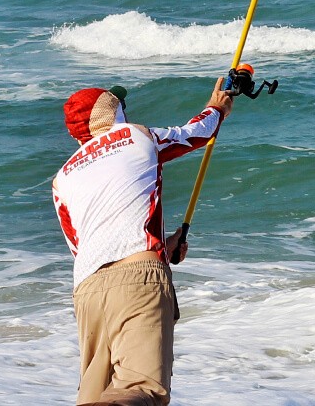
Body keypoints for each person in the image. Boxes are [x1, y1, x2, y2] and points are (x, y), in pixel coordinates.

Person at [52, 79, 234, 406]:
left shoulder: (63, 177)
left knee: (94, 395)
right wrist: (218, 107)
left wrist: (164, 244)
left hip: (87, 292)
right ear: (111, 112)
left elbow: (87, 246)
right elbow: (198, 133)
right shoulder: (137, 135)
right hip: (139, 280)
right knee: (142, 391)